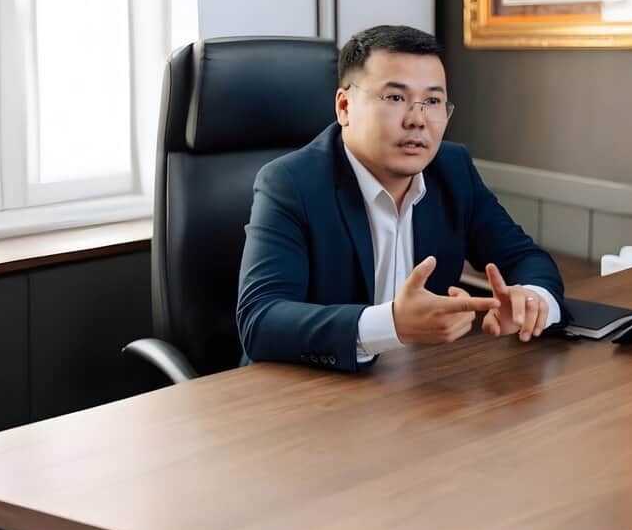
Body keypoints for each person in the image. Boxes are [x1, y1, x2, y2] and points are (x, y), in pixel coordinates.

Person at [237, 25, 568, 372]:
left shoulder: (452, 170)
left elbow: (525, 257)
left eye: (433, 101)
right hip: (308, 389)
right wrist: (391, 324)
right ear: (345, 107)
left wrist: (531, 302)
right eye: (395, 98)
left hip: (421, 383)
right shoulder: (290, 183)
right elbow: (261, 320)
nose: (417, 120)